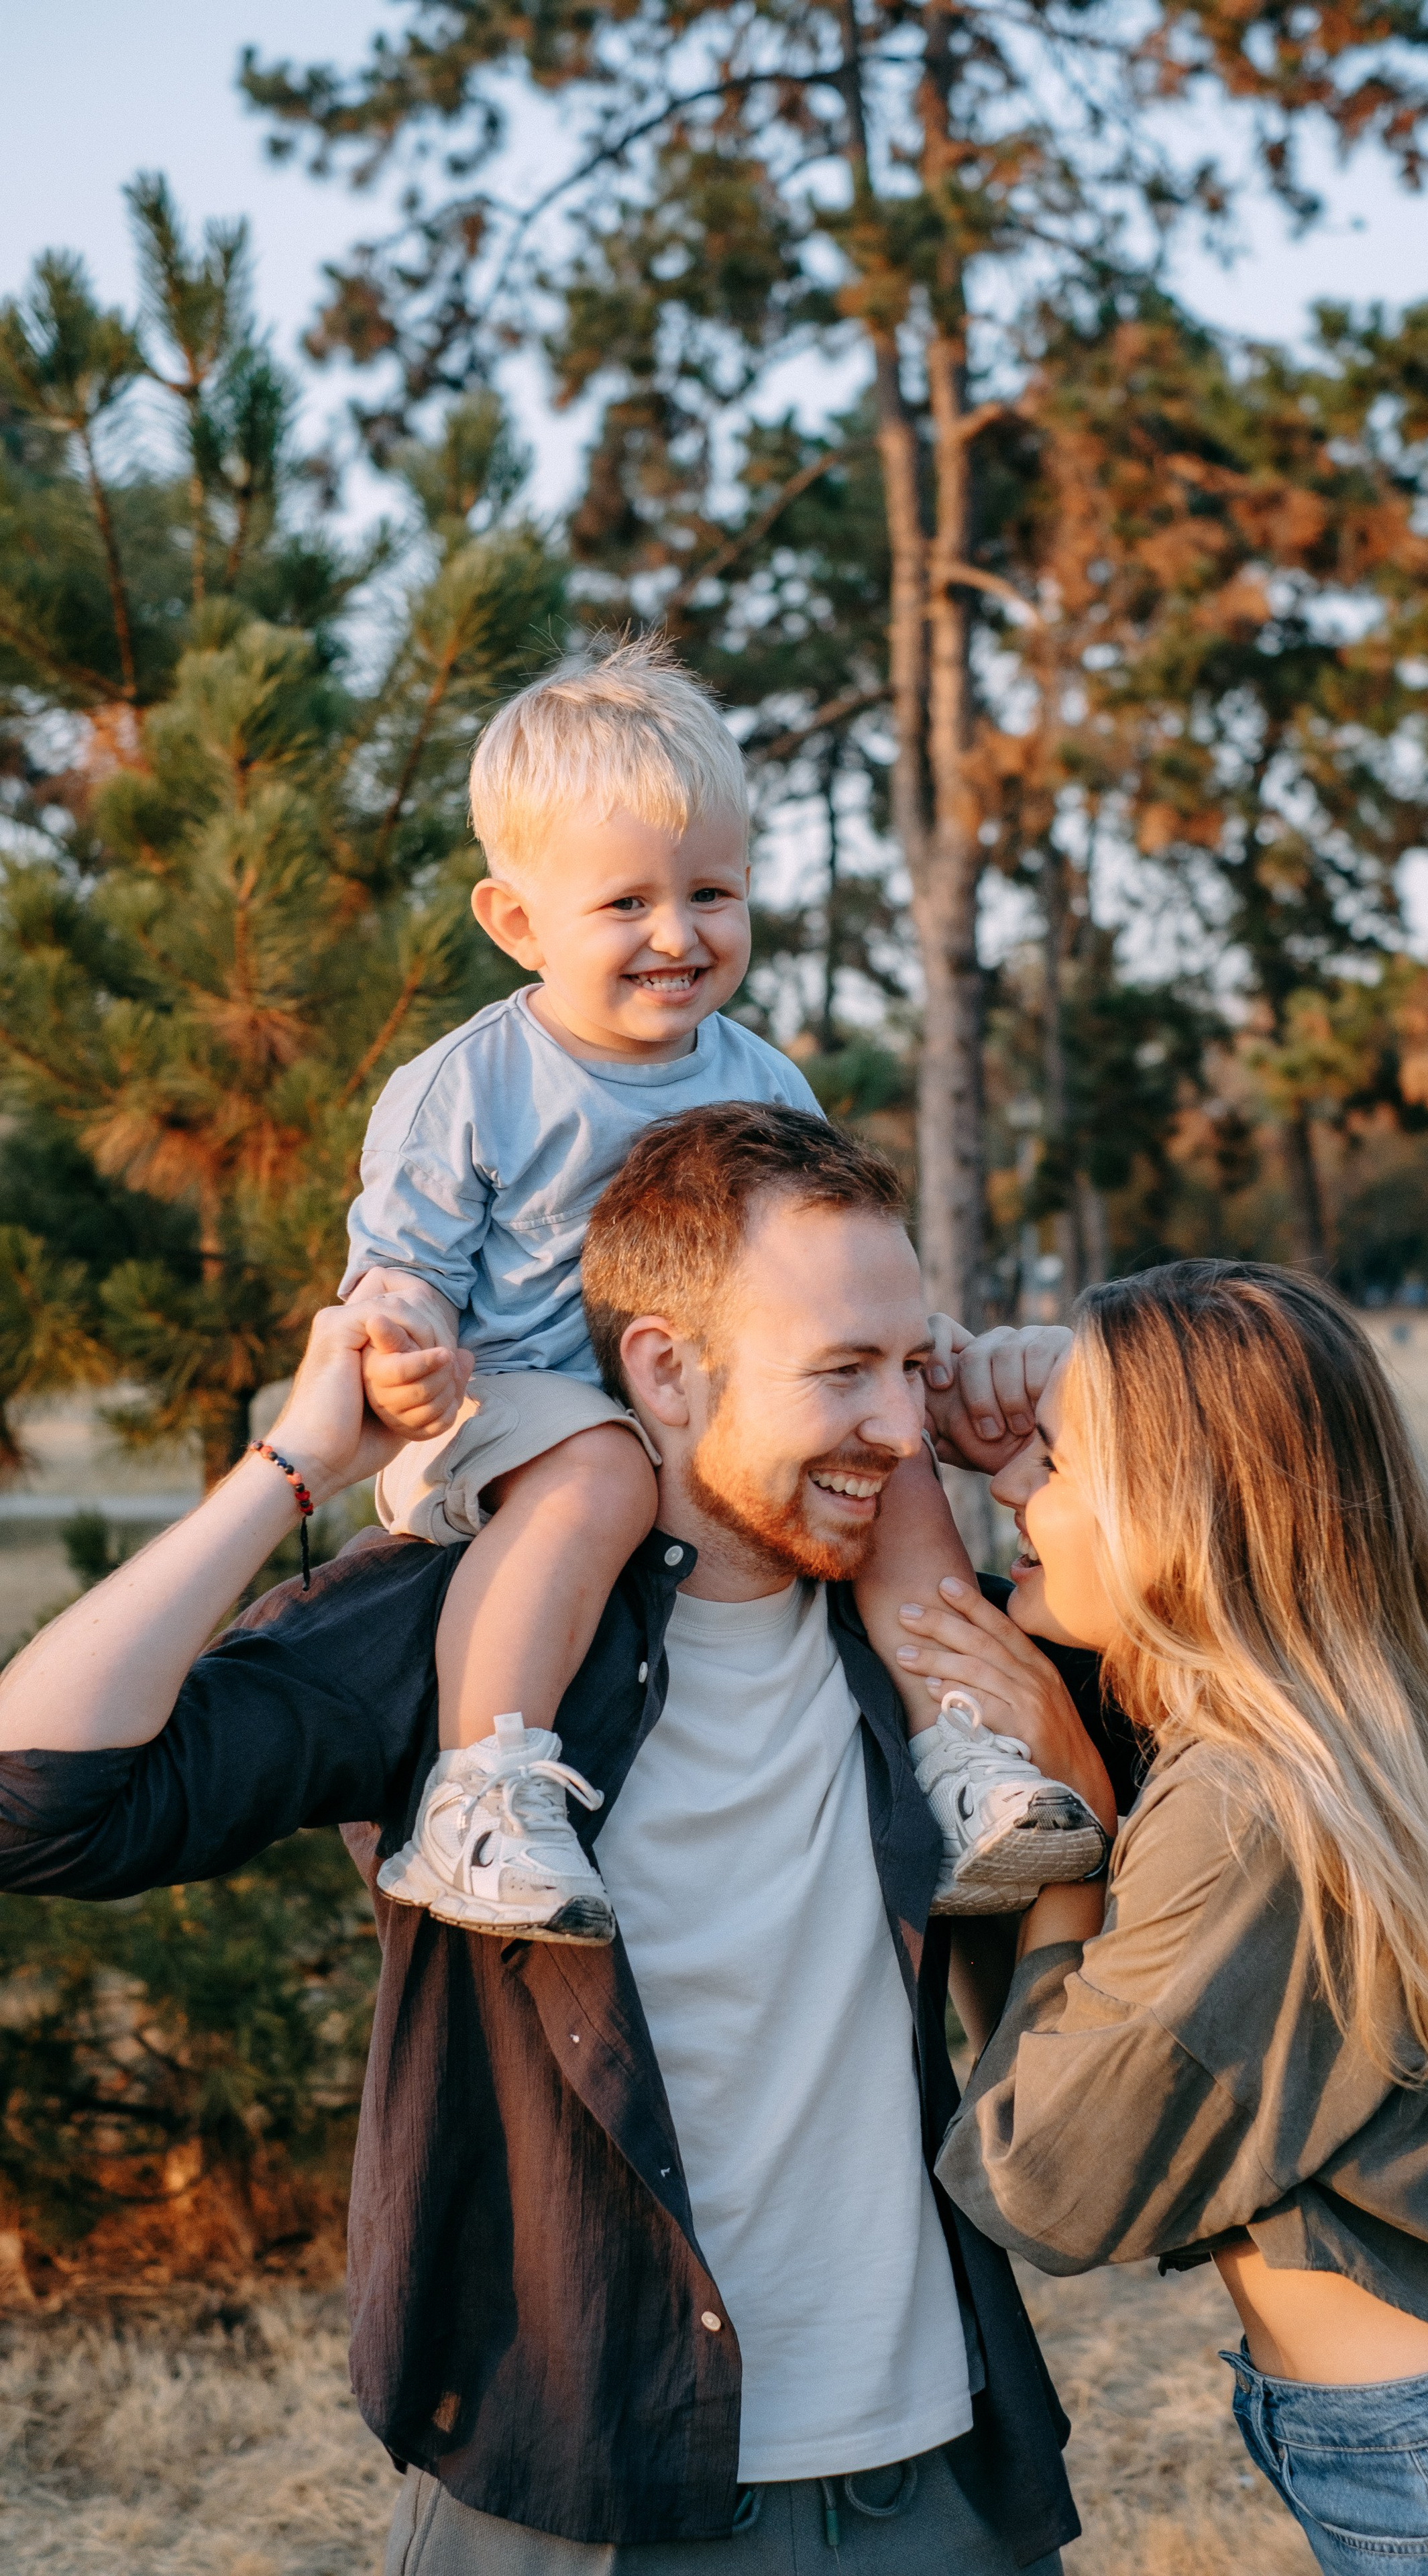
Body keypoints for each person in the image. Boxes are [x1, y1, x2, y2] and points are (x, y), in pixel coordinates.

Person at [0, 1107, 1103, 2572]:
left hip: (937, 2480)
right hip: (577, 2493)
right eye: (841, 1372)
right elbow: (39, 1805)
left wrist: (1049, 1463)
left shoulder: (932, 1646)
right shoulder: (465, 1636)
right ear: (663, 1367)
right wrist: (291, 1469)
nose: (901, 1431)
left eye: (909, 1366)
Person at [902, 1258, 1428, 2573]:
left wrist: (1056, 1843)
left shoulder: (1245, 1811)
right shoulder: (1354, 1716)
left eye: (1052, 1466)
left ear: (1175, 1513)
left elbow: (1047, 2177)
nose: (1015, 1498)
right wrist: (1062, 1412)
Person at [343, 635, 1103, 1941]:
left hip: (709, 1417)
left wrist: (902, 1348)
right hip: (515, 1415)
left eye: (711, 893)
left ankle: (964, 1752)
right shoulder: (468, 1086)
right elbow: (399, 1269)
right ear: (517, 922)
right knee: (596, 1466)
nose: (677, 935)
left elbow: (817, 1267)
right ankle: (484, 1789)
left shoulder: (757, 1075)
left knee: (898, 1457)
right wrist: (405, 1335)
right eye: (626, 904)